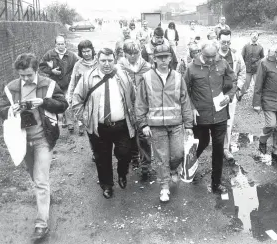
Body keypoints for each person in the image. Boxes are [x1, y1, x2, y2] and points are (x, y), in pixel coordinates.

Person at [0, 53, 68, 240]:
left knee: (40, 179)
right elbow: (1, 109)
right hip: (21, 140)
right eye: (22, 75)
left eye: (29, 75)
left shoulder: (48, 84)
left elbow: (63, 105)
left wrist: (44, 102)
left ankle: (41, 224)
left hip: (43, 139)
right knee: (34, 174)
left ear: (36, 70)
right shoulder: (11, 88)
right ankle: (45, 196)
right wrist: (9, 111)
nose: (25, 79)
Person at [72, 48, 136, 199]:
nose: (107, 64)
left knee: (125, 153)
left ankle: (122, 172)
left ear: (114, 60)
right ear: (97, 60)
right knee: (102, 158)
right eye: (103, 61)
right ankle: (106, 185)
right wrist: (85, 119)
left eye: (110, 60)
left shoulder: (123, 75)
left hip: (122, 125)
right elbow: (76, 101)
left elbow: (133, 96)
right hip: (98, 127)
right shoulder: (88, 77)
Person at [135, 44, 193, 202]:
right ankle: (164, 187)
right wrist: (143, 124)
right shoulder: (146, 77)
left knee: (178, 153)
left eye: (166, 57)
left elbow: (185, 102)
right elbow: (140, 103)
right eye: (160, 57)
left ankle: (174, 169)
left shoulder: (178, 77)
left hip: (175, 124)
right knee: (162, 158)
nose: (163, 60)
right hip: (155, 126)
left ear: (170, 58)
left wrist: (188, 125)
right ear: (154, 59)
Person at [184, 42, 237, 194]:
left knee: (218, 148)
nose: (212, 60)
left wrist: (229, 96)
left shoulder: (223, 63)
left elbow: (233, 81)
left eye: (214, 57)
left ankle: (216, 183)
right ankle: (189, 166)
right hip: (201, 115)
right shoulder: (191, 68)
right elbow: (184, 91)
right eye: (208, 57)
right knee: (201, 142)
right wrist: (192, 108)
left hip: (220, 115)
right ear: (201, 53)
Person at [253, 43, 277, 164]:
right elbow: (258, 83)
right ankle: (262, 140)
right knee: (271, 124)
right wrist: (256, 103)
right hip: (269, 99)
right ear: (276, 53)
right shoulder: (265, 63)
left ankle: (276, 151)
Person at [117, 41, 152, 172]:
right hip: (127, 105)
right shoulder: (119, 68)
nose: (133, 56)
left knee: (144, 135)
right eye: (130, 53)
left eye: (135, 53)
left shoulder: (147, 67)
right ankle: (134, 157)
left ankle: (146, 164)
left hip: (143, 106)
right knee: (129, 133)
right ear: (124, 53)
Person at [217, 29, 246, 161]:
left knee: (228, 122)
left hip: (231, 94)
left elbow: (242, 72)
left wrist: (238, 87)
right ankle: (215, 145)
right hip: (214, 95)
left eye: (228, 42)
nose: (226, 45)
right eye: (223, 42)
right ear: (218, 40)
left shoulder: (236, 55)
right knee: (214, 121)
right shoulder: (213, 54)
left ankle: (225, 148)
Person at [39, 35, 78, 131]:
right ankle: (60, 121)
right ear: (55, 45)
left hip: (67, 83)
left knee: (67, 101)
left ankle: (69, 123)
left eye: (62, 44)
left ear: (65, 44)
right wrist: (51, 71)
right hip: (54, 84)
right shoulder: (49, 54)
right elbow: (42, 65)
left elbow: (77, 67)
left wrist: (72, 77)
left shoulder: (72, 55)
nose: (60, 46)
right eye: (58, 44)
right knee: (57, 103)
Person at [67, 40, 98, 136]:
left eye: (88, 51)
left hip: (97, 93)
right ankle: (82, 125)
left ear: (92, 50)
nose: (86, 54)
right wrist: (70, 95)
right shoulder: (78, 65)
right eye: (83, 52)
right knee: (82, 111)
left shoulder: (99, 62)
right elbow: (73, 81)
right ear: (80, 52)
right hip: (84, 94)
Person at [240, 31, 264, 101]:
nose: (254, 36)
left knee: (257, 85)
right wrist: (243, 66)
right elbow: (242, 57)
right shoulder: (246, 46)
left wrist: (259, 64)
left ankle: (257, 100)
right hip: (247, 69)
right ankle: (239, 94)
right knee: (246, 85)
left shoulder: (260, 47)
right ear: (250, 36)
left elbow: (262, 57)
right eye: (253, 34)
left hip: (256, 70)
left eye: (256, 35)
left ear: (258, 37)